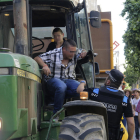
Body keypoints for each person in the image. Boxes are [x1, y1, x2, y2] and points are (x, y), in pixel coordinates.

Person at [34, 39, 87, 114]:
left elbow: (84, 51)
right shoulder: (54, 53)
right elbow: (37, 58)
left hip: (69, 80)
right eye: (71, 52)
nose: (73, 54)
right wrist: (44, 65)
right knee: (61, 87)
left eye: (74, 52)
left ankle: (56, 98)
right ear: (64, 49)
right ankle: (57, 114)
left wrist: (84, 52)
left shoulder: (75, 52)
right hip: (53, 80)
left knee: (82, 90)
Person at [84, 69, 135, 140]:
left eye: (107, 77)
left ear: (108, 81)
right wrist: (130, 138)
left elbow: (79, 91)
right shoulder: (125, 99)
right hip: (113, 136)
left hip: (93, 133)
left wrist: (82, 83)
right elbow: (131, 123)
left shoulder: (95, 92)